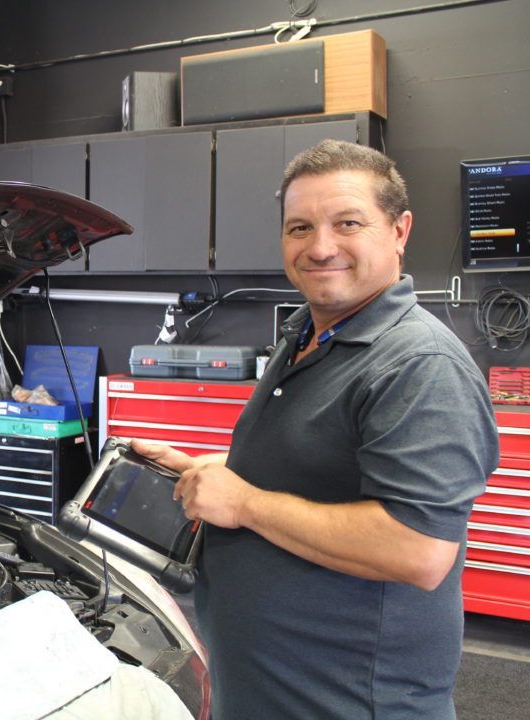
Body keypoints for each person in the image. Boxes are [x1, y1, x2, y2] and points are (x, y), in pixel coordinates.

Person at [133, 140, 499, 720]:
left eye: (347, 222)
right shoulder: (310, 332)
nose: (320, 247)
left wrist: (246, 503)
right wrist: (224, 475)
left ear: (400, 231)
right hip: (268, 689)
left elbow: (418, 549)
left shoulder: (419, 364)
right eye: (300, 227)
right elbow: (317, 474)